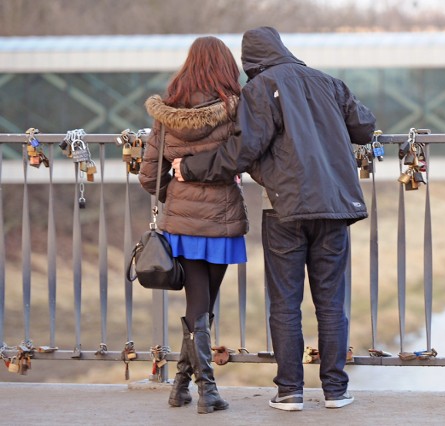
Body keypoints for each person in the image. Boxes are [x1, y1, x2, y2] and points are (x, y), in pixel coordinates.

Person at [172, 26, 376, 411]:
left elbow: (243, 149)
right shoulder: (328, 83)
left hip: (284, 208)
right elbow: (364, 127)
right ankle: (335, 391)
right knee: (331, 303)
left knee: (285, 303)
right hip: (334, 206)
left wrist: (192, 168)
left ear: (250, 60)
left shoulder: (261, 88)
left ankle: (289, 392)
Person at [138, 36, 248, 414]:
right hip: (221, 220)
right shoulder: (234, 110)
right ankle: (208, 392)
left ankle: (181, 386)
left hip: (181, 224)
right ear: (224, 67)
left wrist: (176, 190)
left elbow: (148, 174)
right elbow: (241, 157)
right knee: (204, 303)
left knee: (198, 304)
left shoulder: (165, 113)